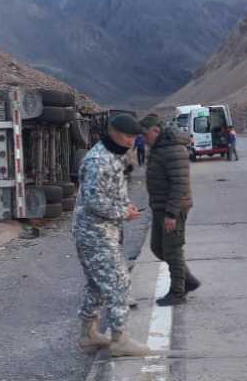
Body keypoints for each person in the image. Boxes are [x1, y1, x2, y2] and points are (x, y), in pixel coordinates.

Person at [73, 114, 152, 356]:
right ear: (113, 132)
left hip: (100, 230)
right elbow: (94, 200)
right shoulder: (100, 160)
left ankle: (89, 334)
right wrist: (122, 212)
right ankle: (119, 339)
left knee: (97, 285)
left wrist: (125, 205)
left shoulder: (112, 156)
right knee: (119, 283)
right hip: (95, 233)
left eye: (134, 137)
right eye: (127, 136)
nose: (131, 142)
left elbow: (111, 191)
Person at [139, 114, 200, 306]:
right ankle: (187, 281)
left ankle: (177, 292)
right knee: (157, 248)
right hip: (160, 207)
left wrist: (172, 213)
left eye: (145, 135)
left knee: (172, 250)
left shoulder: (173, 150)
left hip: (173, 208)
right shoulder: (158, 148)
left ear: (156, 131)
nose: (143, 139)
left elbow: (179, 184)